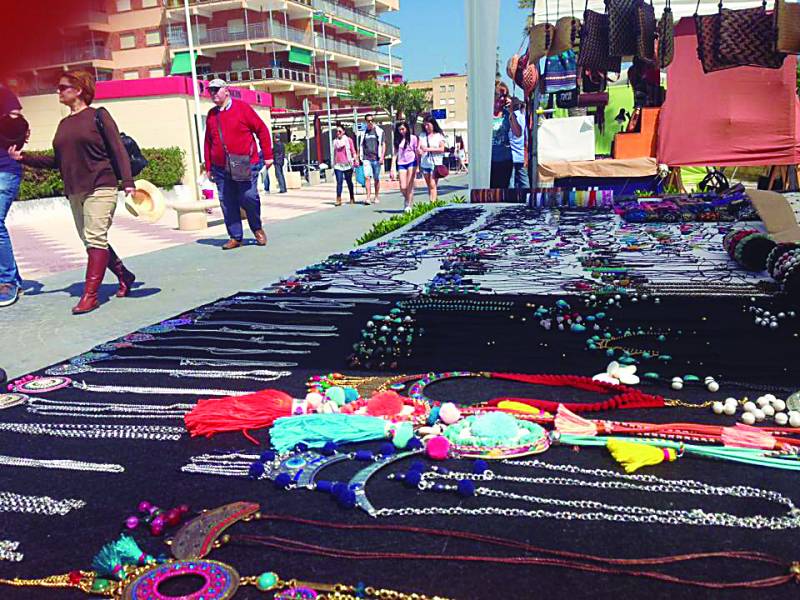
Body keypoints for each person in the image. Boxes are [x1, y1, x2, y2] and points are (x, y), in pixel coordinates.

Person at [9, 71, 136, 315]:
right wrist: (24, 158)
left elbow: (118, 149)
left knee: (95, 238)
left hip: (102, 184)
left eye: (63, 87)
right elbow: (58, 160)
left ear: (78, 90)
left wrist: (128, 182)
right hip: (75, 189)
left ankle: (90, 296)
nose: (58, 91)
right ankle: (124, 275)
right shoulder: (64, 124)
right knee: (90, 240)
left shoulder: (98, 115)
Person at [203, 78, 273, 250]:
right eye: (210, 91)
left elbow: (262, 130)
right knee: (227, 201)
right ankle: (235, 236)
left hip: (245, 163)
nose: (213, 94)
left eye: (216, 90)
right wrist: (209, 167)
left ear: (226, 90)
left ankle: (257, 228)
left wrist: (268, 155)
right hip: (221, 167)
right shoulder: (212, 115)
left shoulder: (242, 108)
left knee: (249, 197)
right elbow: (208, 142)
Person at [0, 83, 25, 307]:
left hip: (5, 169)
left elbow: (18, 123)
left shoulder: (3, 92)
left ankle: (6, 282)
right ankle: (14, 280)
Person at [490, 81, 516, 189]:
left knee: (503, 191)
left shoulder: (507, 114)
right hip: (489, 160)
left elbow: (517, 132)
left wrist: (511, 112)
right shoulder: (485, 114)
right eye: (500, 95)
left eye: (505, 96)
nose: (502, 99)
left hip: (505, 159)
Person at [390, 120, 417, 212]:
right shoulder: (397, 140)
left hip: (411, 162)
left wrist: (418, 166)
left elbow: (416, 152)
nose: (401, 131)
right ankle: (407, 199)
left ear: (407, 129)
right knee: (403, 186)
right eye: (399, 130)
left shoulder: (413, 138)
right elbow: (394, 154)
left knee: (410, 184)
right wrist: (392, 168)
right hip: (401, 163)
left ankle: (408, 205)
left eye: (403, 129)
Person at [418, 115, 446, 202]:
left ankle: (432, 205)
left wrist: (428, 149)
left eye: (428, 125)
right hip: (425, 163)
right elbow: (419, 147)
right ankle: (435, 201)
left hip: (435, 163)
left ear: (433, 124)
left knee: (432, 185)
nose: (426, 127)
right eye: (425, 125)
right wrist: (419, 151)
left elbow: (442, 149)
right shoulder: (422, 135)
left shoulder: (439, 136)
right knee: (429, 186)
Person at [358, 113, 384, 205]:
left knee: (376, 178)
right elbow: (360, 145)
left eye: (372, 120)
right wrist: (359, 157)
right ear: (365, 121)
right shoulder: (363, 133)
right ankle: (368, 197)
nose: (370, 122)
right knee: (367, 177)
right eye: (368, 120)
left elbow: (383, 144)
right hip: (366, 158)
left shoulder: (379, 131)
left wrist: (382, 157)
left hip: (376, 158)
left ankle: (376, 196)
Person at [331, 124, 358, 206]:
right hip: (338, 165)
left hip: (347, 164)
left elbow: (353, 151)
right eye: (337, 131)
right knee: (339, 182)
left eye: (340, 131)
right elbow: (333, 153)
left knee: (349, 181)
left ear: (343, 132)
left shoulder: (348, 140)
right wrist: (333, 163)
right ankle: (338, 199)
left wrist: (355, 159)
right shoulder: (335, 141)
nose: (338, 133)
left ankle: (352, 197)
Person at [509, 97, 528, 189]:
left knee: (510, 184)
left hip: (511, 155)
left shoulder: (510, 117)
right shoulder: (525, 118)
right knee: (524, 183)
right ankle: (527, 199)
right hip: (522, 155)